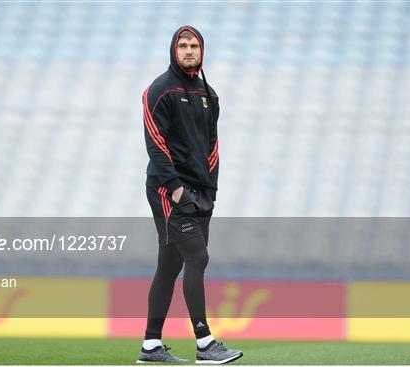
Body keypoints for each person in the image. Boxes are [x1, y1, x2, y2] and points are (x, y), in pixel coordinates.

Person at [137, 26, 243, 364]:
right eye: (182, 45)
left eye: (194, 45)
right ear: (173, 49)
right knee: (198, 258)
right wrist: (178, 190)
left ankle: (151, 346)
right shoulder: (159, 91)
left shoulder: (210, 96)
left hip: (200, 194)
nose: (188, 50)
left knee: (169, 267)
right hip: (168, 192)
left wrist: (208, 192)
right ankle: (205, 343)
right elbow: (156, 145)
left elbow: (212, 148)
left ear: (202, 50)